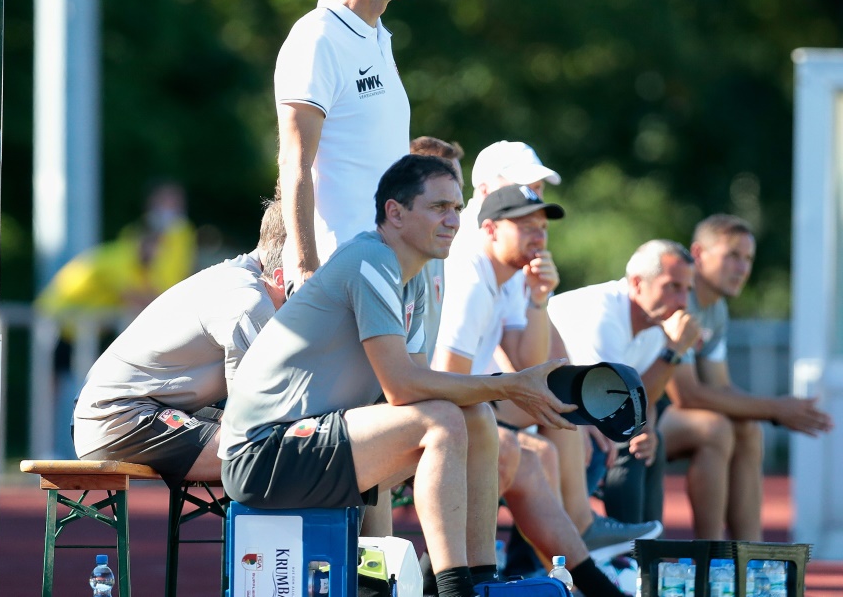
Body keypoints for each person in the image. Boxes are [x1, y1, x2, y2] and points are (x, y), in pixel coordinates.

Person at [220, 155, 629, 597]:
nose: (454, 220)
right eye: (439, 208)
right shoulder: (370, 258)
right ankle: (455, 591)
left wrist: (505, 388)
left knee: (474, 417)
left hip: (312, 438)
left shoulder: (409, 276)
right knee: (443, 421)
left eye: (456, 208)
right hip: (263, 451)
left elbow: (413, 385)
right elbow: (403, 387)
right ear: (395, 212)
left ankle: (480, 580)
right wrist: (510, 385)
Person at [434, 184, 660, 574]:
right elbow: (447, 377)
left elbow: (531, 360)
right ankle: (578, 545)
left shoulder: (507, 279)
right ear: (489, 230)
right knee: (561, 408)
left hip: (472, 402)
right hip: (444, 408)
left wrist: (539, 298)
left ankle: (558, 567)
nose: (538, 236)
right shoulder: (472, 275)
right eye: (524, 225)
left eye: (542, 227)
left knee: (550, 441)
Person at [275, 0, 438, 293]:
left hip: (386, 266)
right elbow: (295, 160)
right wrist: (306, 270)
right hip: (340, 271)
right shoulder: (318, 37)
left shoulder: (378, 37)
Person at [71, 200, 286, 487]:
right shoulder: (249, 300)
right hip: (118, 417)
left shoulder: (240, 272)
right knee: (272, 450)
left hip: (127, 408)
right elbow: (248, 417)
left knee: (289, 439)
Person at [659, 215, 834, 539]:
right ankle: (710, 560)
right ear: (698, 254)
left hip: (661, 419)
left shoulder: (716, 309)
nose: (742, 268)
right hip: (622, 421)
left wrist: (772, 412)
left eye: (748, 259)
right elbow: (687, 395)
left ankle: (747, 560)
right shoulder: (679, 297)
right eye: (732, 256)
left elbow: (719, 387)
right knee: (716, 428)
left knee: (749, 429)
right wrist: (775, 408)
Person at [37, 180, 199, 457]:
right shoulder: (123, 260)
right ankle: (48, 448)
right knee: (56, 389)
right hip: (59, 321)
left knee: (82, 387)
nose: (159, 254)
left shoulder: (139, 262)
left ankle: (69, 447)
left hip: (83, 327)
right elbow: (143, 298)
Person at [548, 240, 702, 528]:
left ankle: (647, 555)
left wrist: (650, 429)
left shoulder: (654, 323)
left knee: (648, 442)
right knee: (623, 442)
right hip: (540, 412)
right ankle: (626, 553)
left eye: (688, 290)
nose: (683, 302)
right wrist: (674, 351)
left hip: (580, 413)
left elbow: (646, 398)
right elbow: (616, 403)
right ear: (637, 284)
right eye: (672, 287)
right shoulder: (603, 315)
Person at [409, 135, 465, 364]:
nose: (453, 219)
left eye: (459, 190)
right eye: (442, 202)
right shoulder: (393, 260)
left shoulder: (438, 251)